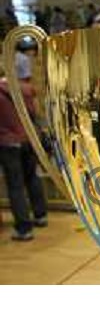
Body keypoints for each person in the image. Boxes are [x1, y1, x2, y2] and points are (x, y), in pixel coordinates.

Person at [0, 59, 48, 241]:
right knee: (32, 178)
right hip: (28, 139)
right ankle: (40, 215)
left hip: (8, 143)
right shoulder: (26, 89)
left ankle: (23, 228)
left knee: (15, 186)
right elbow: (35, 113)